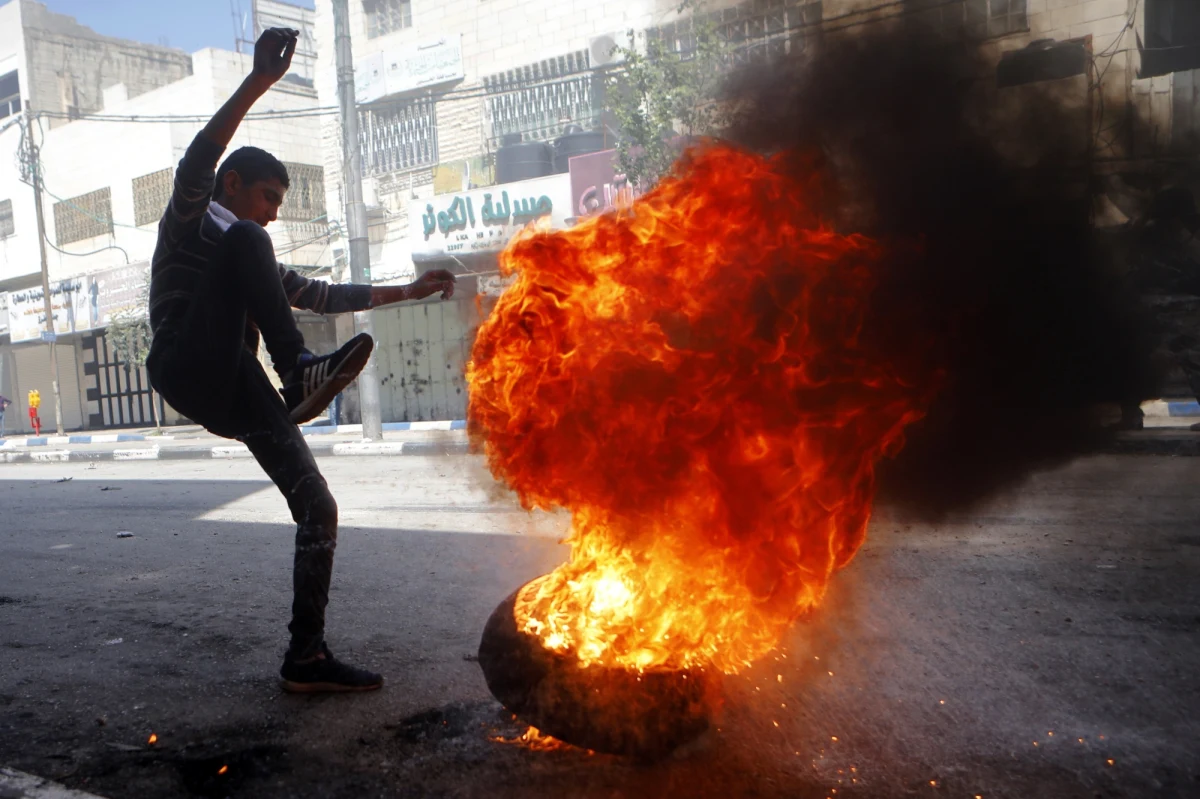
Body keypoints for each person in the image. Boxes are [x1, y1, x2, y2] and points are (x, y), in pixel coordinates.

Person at [145, 28, 456, 693]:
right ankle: (300, 371)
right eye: (268, 199)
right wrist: (259, 82)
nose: (273, 216)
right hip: (182, 361)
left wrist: (413, 288)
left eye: (279, 205)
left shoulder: (249, 249)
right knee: (249, 248)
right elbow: (198, 160)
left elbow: (325, 293)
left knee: (318, 505)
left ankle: (305, 655)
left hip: (235, 382)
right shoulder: (193, 220)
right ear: (234, 185)